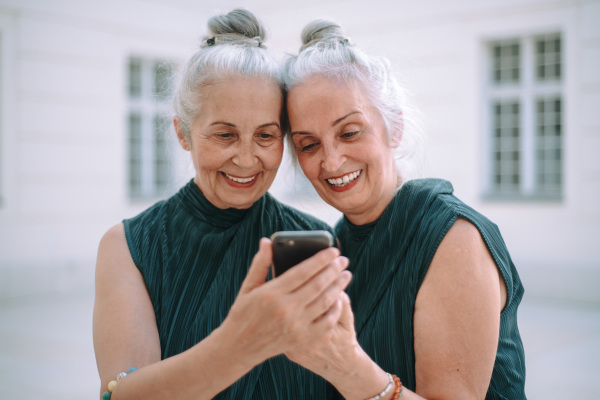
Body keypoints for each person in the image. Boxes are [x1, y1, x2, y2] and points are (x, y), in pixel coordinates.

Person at [93, 10, 352, 400]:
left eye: (265, 135)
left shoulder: (313, 241)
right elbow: (122, 392)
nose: (247, 160)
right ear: (183, 132)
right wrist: (240, 344)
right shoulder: (129, 247)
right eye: (225, 135)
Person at [280, 20, 527, 400]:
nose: (330, 161)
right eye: (308, 144)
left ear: (393, 126)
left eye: (349, 132)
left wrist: (347, 367)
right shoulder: (339, 242)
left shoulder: (452, 238)